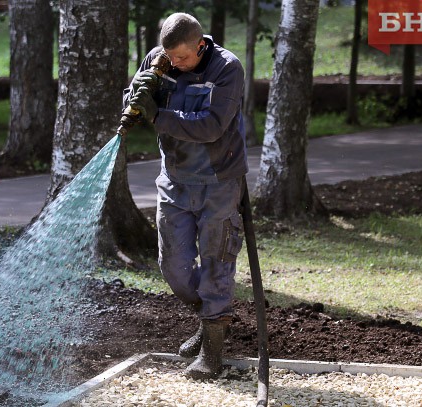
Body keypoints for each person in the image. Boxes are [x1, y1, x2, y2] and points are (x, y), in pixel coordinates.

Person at [123, 12, 247, 380]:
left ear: (200, 44)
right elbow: (136, 102)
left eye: (182, 58)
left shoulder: (227, 68)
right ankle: (212, 319)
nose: (174, 65)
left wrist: (157, 115)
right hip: (174, 181)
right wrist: (136, 98)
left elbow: (210, 126)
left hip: (218, 182)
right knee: (173, 267)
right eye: (170, 57)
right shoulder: (158, 59)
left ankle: (212, 351)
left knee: (216, 263)